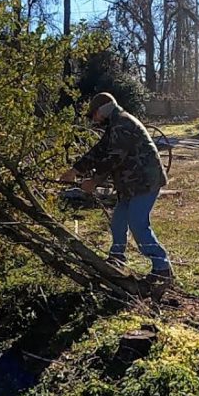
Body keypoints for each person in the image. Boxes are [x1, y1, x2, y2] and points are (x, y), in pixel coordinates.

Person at [60, 92, 173, 281]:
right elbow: (99, 151)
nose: (94, 119)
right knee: (118, 221)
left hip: (145, 181)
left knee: (138, 224)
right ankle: (117, 258)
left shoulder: (122, 124)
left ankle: (162, 267)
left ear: (103, 110)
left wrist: (94, 181)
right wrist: (75, 170)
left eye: (94, 114)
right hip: (131, 184)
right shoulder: (115, 125)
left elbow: (114, 158)